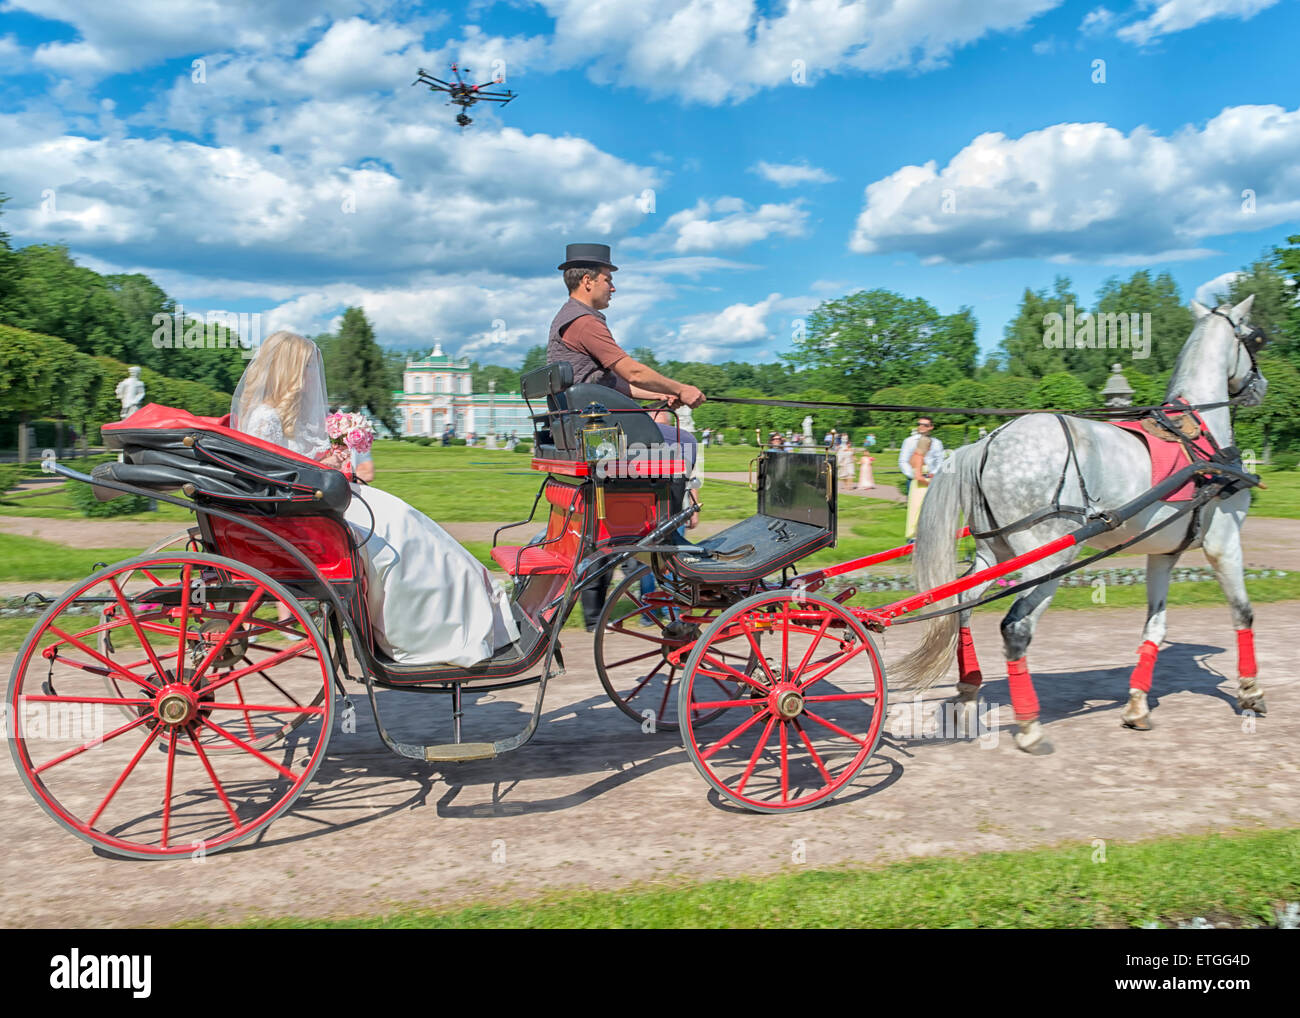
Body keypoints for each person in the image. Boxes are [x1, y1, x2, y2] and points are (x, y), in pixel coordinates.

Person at [231, 331, 519, 667]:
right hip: (305, 515)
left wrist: (326, 463)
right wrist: (324, 465)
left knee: (407, 521)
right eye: (308, 368)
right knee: (402, 529)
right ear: (290, 370)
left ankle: (467, 606)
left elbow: (284, 470)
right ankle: (443, 625)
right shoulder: (266, 417)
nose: (313, 377)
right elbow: (275, 480)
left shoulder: (274, 414)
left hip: (316, 506)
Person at [548, 243, 705, 409]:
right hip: (594, 424)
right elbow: (633, 373)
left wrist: (661, 394)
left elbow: (613, 383)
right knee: (685, 437)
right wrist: (682, 389)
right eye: (607, 280)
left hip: (578, 419)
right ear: (587, 281)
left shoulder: (567, 317)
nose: (613, 288)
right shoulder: (585, 322)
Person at [898, 417, 944, 496]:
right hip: (914, 479)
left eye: (925, 425)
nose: (921, 426)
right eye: (919, 424)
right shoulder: (909, 441)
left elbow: (940, 461)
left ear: (931, 427)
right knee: (915, 505)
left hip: (931, 479)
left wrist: (933, 474)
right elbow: (903, 461)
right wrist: (913, 475)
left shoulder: (937, 443)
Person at [904, 432, 933, 542]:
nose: (930, 448)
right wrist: (931, 484)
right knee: (920, 512)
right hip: (920, 489)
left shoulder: (914, 456)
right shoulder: (919, 457)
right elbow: (918, 477)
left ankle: (915, 538)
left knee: (916, 511)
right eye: (929, 446)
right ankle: (917, 539)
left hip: (916, 488)